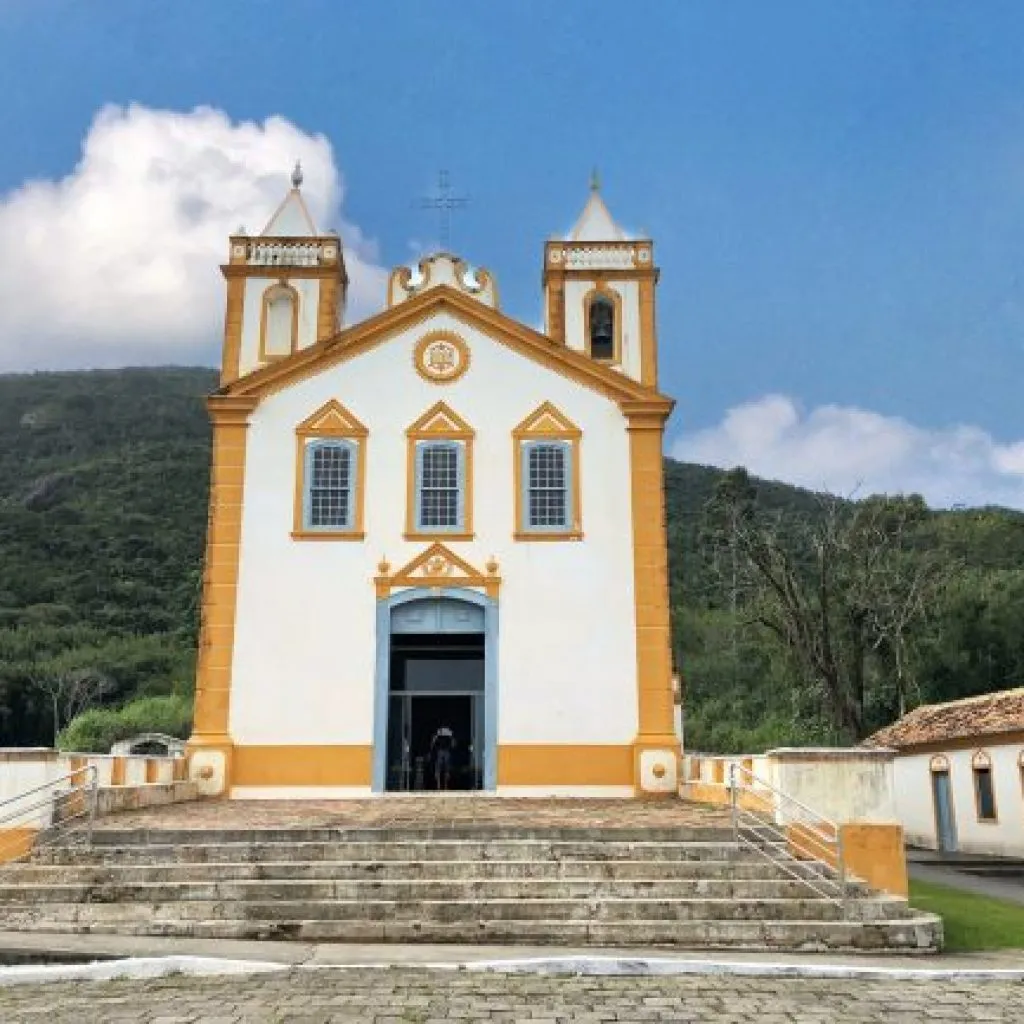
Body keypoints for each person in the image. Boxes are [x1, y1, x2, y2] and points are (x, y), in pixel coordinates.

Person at [429, 725, 455, 790]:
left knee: (446, 769)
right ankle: (439, 785)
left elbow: (453, 743)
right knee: (440, 768)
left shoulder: (447, 732)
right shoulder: (439, 732)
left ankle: (444, 785)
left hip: (445, 751)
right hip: (441, 751)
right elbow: (433, 742)